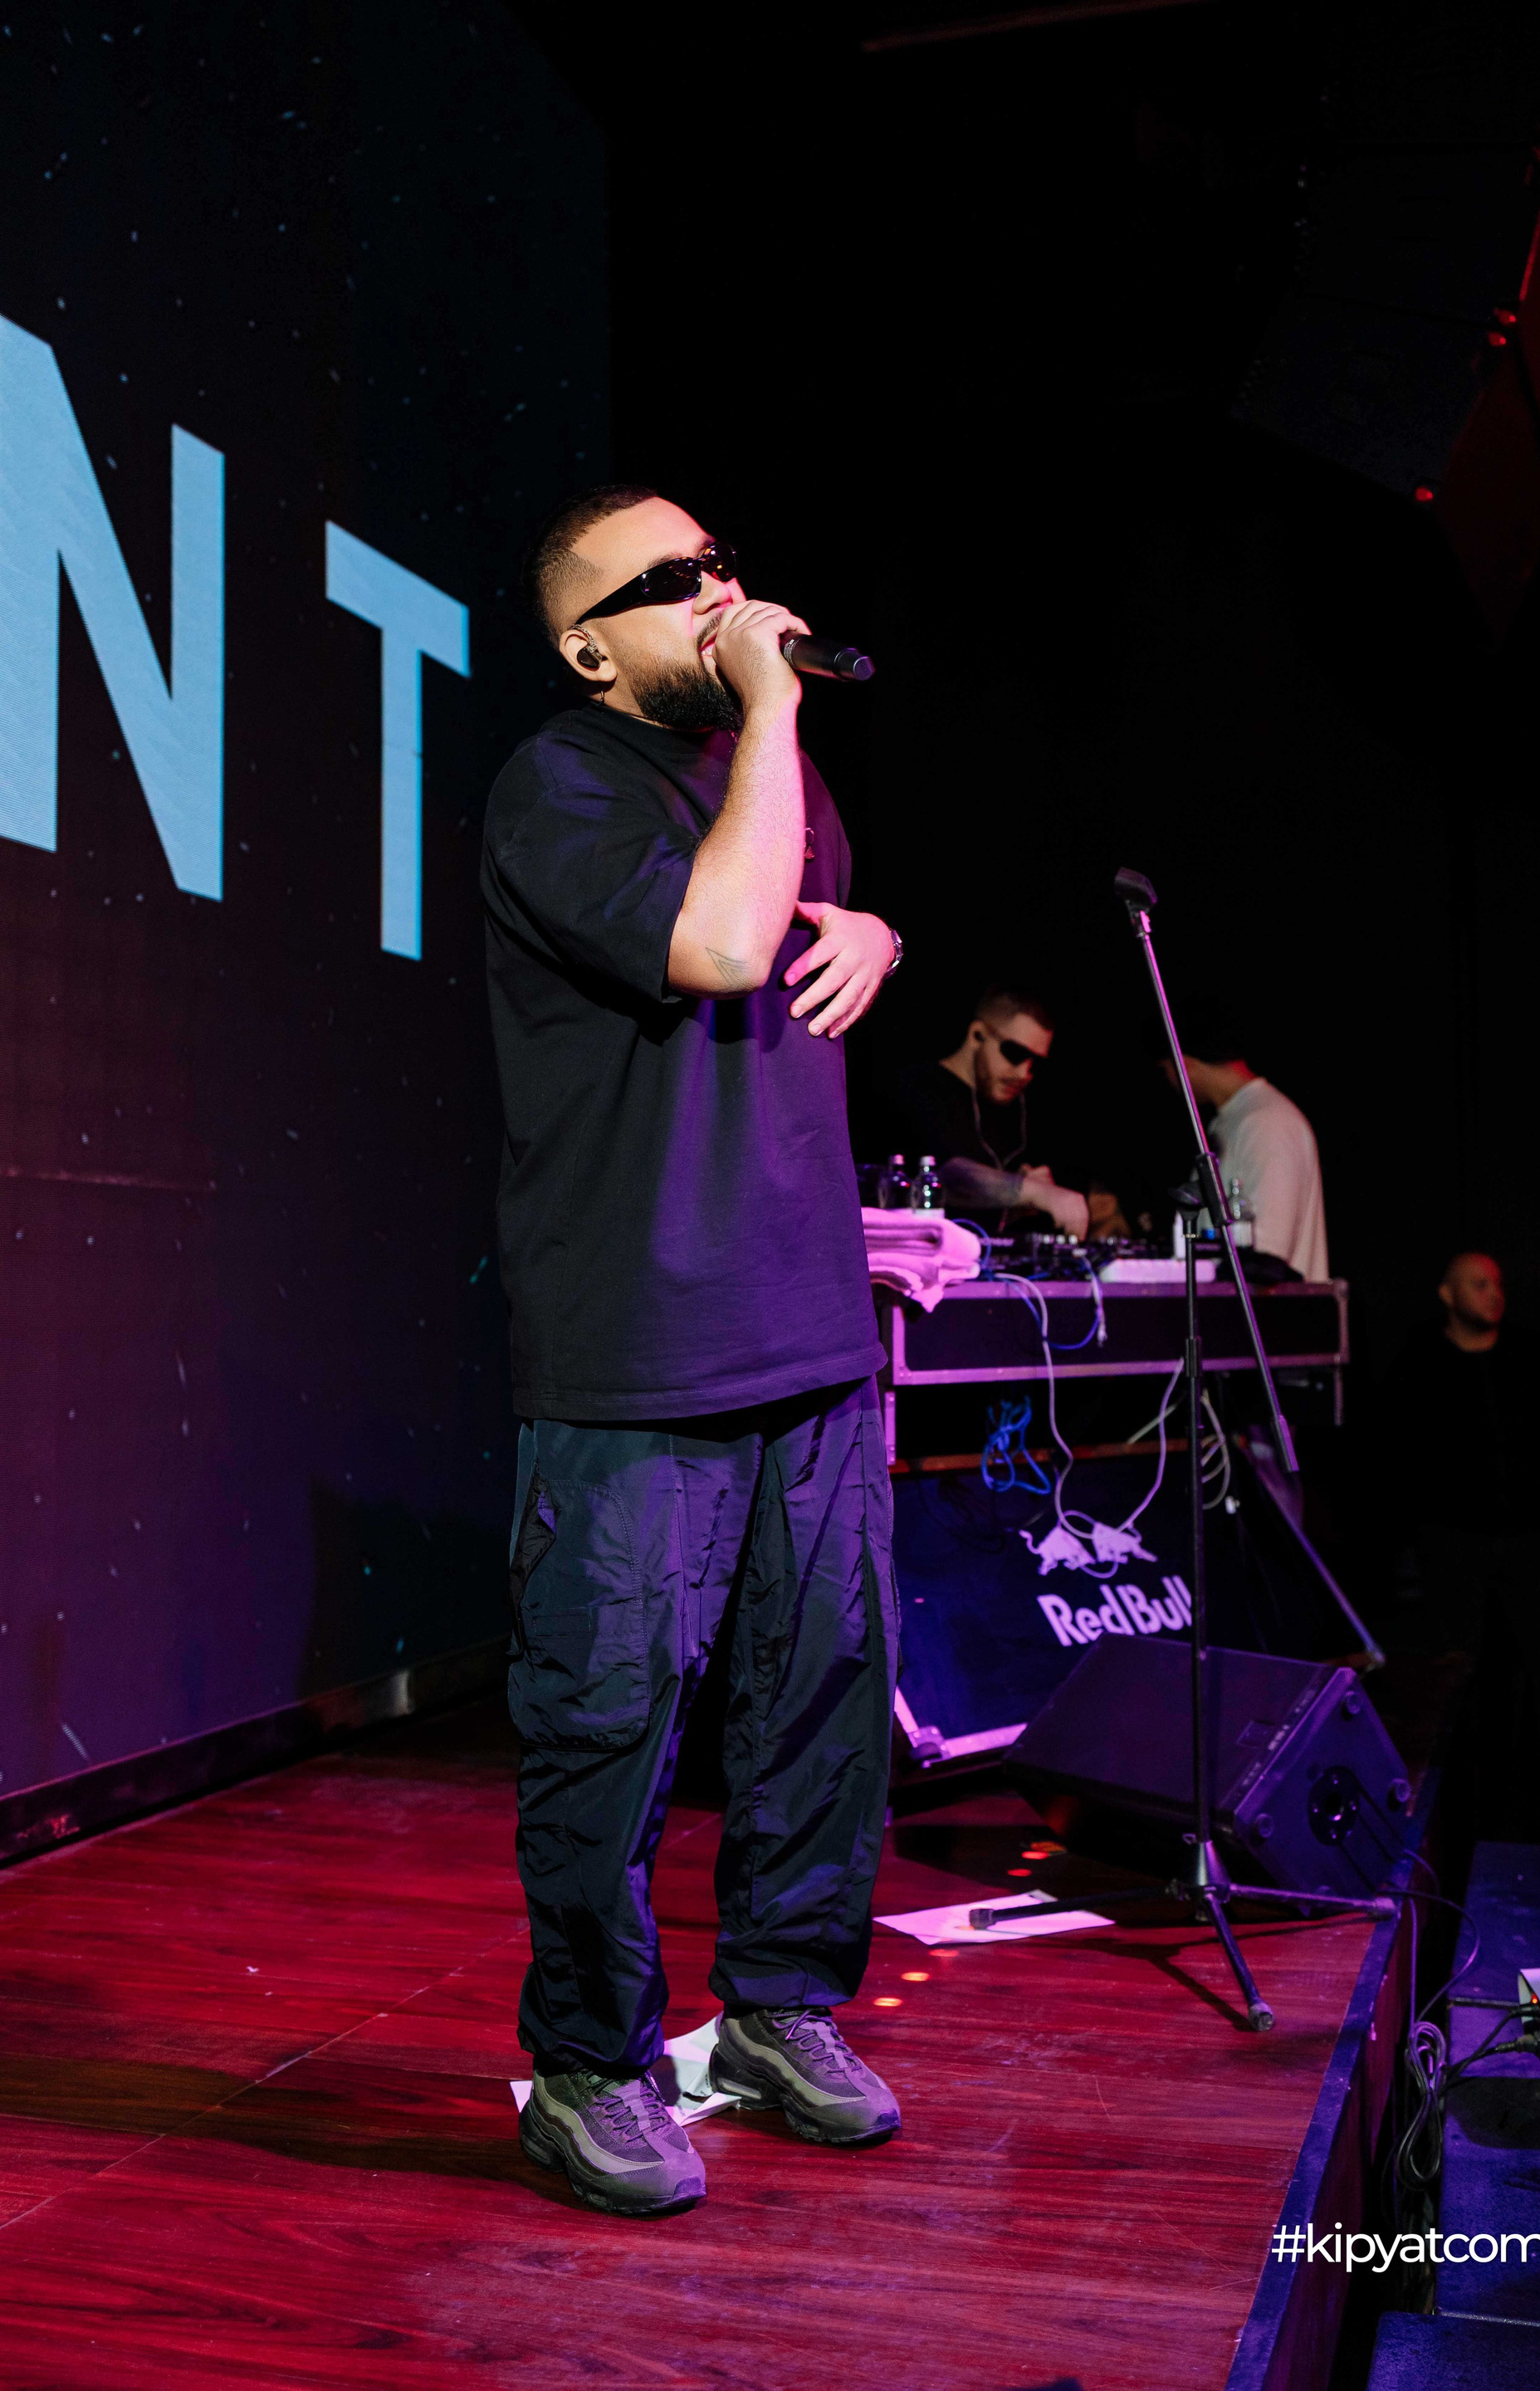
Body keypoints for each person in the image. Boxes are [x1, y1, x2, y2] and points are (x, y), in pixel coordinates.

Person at [482, 484, 902, 2218]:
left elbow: (795, 920)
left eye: (721, 558)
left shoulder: (754, 768)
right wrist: (780, 701)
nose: (721, 590)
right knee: (610, 1721)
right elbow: (721, 942)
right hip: (640, 1343)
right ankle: (591, 2064)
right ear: (591, 647)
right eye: (675, 582)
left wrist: (875, 929)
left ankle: (782, 2010)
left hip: (809, 1321)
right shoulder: (557, 783)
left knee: (824, 1699)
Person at [1381, 1251, 1540, 1836]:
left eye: (1497, 1283)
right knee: (1456, 1671)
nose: (1494, 1293)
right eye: (1479, 1284)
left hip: (1531, 1537)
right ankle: (1455, 1803)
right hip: (1455, 1541)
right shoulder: (1422, 1363)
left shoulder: (1530, 1355)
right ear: (1448, 1294)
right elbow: (1398, 1449)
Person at [894, 985, 1092, 1234]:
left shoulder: (1021, 1107)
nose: (1024, 1073)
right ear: (977, 1035)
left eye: (1035, 1063)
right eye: (1016, 1053)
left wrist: (1019, 1202)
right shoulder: (917, 1088)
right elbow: (945, 1176)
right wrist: (1035, 1192)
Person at [1160, 1019, 1328, 1279]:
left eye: (1166, 1070)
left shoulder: (1268, 1121)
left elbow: (1266, 1255)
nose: (1169, 1082)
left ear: (1186, 1064)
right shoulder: (1232, 1120)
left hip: (1265, 1306)